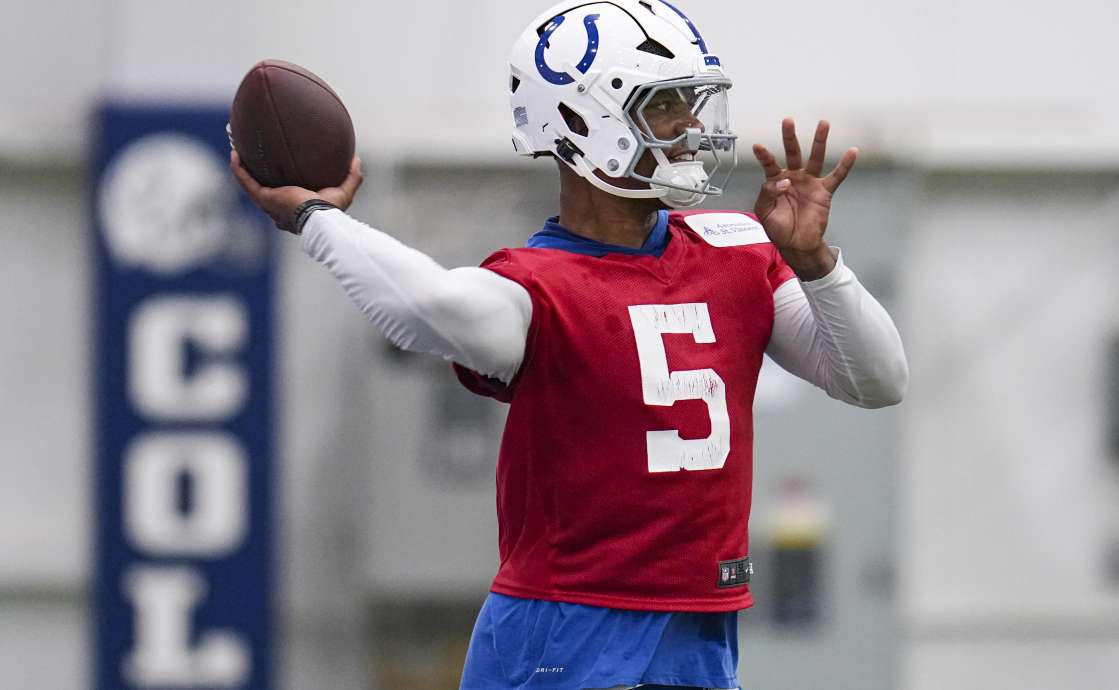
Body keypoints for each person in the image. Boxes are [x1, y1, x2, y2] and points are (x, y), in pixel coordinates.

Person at [230, 1, 908, 688]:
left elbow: (878, 380)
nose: (693, 126)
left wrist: (818, 263)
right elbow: (424, 306)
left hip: (699, 623)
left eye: (692, 101)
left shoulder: (736, 249)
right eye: (666, 104)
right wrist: (317, 219)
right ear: (584, 123)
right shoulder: (536, 286)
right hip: (563, 631)